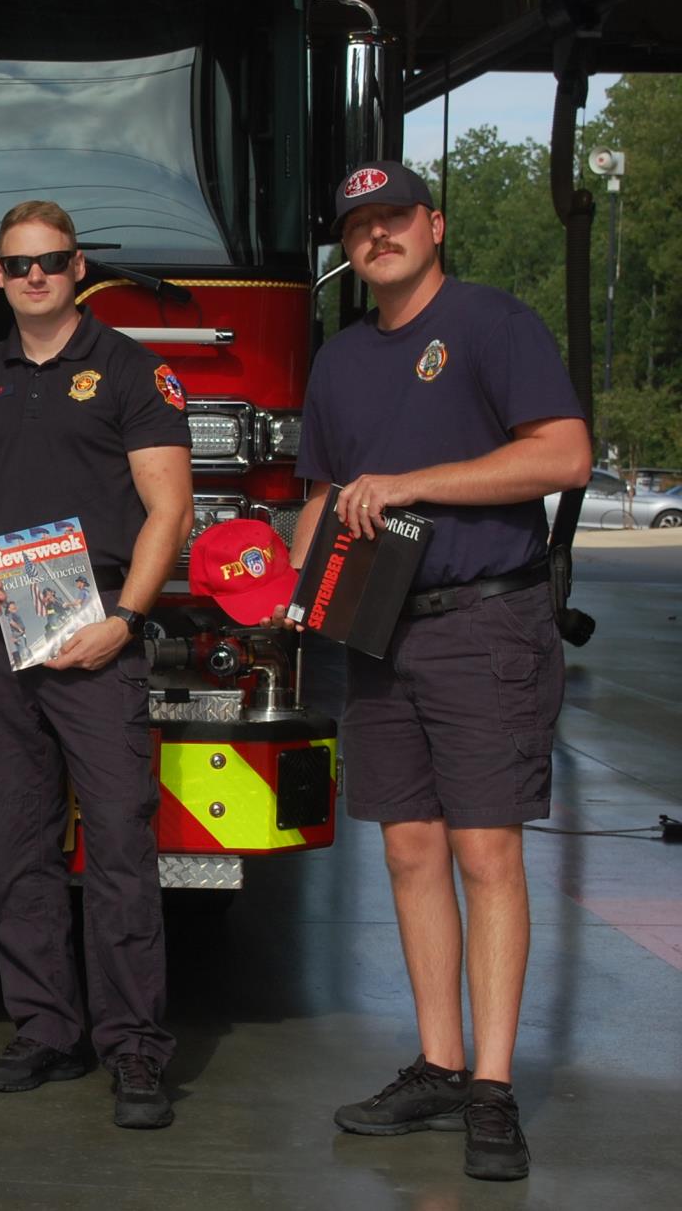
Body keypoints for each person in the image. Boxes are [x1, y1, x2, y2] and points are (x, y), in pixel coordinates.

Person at [287, 162, 589, 1181]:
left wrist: (413, 484)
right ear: (346, 246)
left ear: (434, 223)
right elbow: (326, 496)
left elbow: (563, 456)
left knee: (485, 853)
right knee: (410, 849)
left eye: (395, 218)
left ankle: (494, 1091)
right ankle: (439, 1062)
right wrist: (280, 591)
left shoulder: (495, 324)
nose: (379, 236)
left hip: (485, 623)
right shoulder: (337, 363)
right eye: (360, 226)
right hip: (379, 629)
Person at [0, 200, 193, 1128]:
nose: (35, 276)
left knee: (120, 840)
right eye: (17, 264)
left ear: (79, 268)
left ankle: (134, 1050)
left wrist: (126, 618)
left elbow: (171, 510)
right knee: (15, 841)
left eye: (52, 261)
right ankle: (46, 1030)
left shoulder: (131, 371)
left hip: (96, 627)